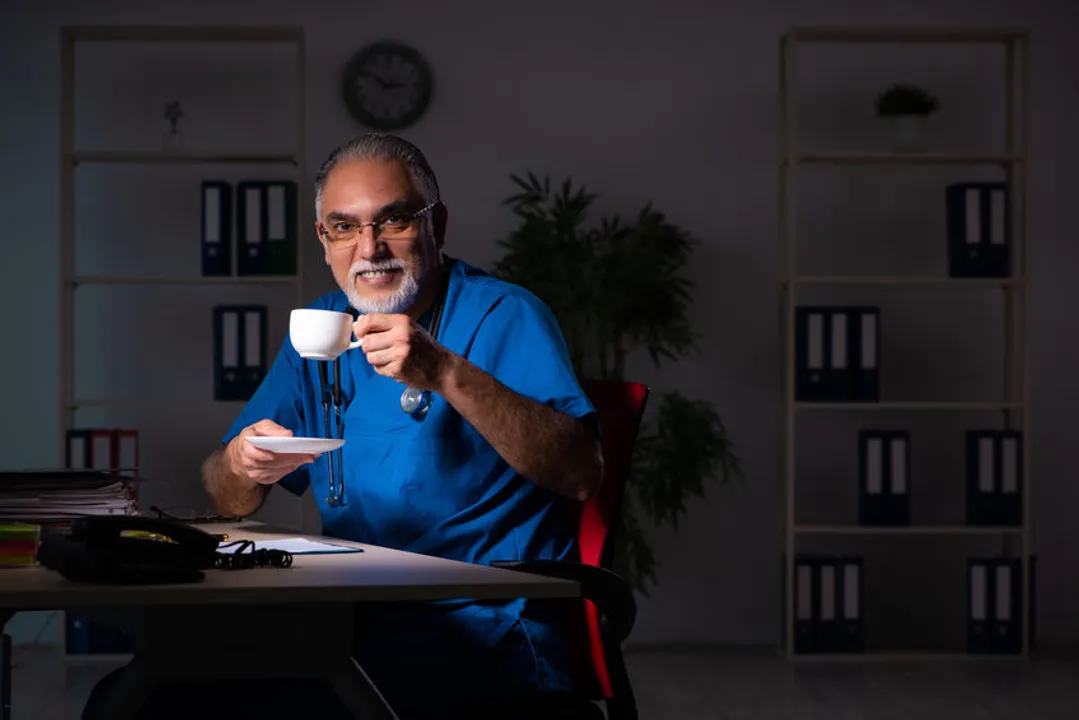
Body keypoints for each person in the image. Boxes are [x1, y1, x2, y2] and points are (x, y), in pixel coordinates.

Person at [85, 133, 602, 720]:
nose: (370, 247)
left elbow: (582, 472)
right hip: (346, 616)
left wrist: (446, 371)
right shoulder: (323, 327)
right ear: (323, 240)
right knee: (133, 697)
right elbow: (228, 497)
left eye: (394, 220)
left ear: (438, 225)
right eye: (344, 227)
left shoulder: (502, 315)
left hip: (484, 627)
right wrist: (241, 462)